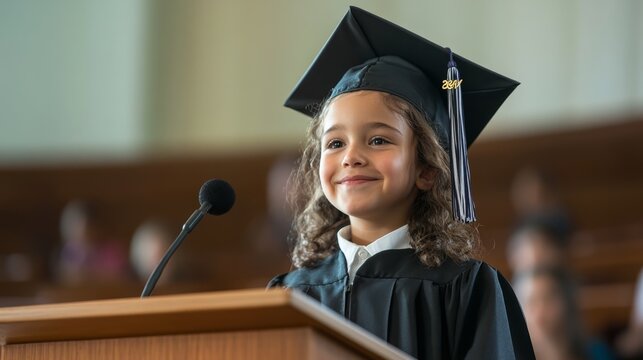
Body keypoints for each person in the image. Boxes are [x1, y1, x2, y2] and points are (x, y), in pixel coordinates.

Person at [268, 7, 534, 359]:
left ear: (427, 168)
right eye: (335, 143)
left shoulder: (463, 289)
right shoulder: (291, 294)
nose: (351, 157)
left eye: (378, 140)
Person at [514, 266, 614, 360]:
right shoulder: (510, 355)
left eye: (548, 299)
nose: (540, 311)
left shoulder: (596, 352)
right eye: (531, 301)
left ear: (567, 302)